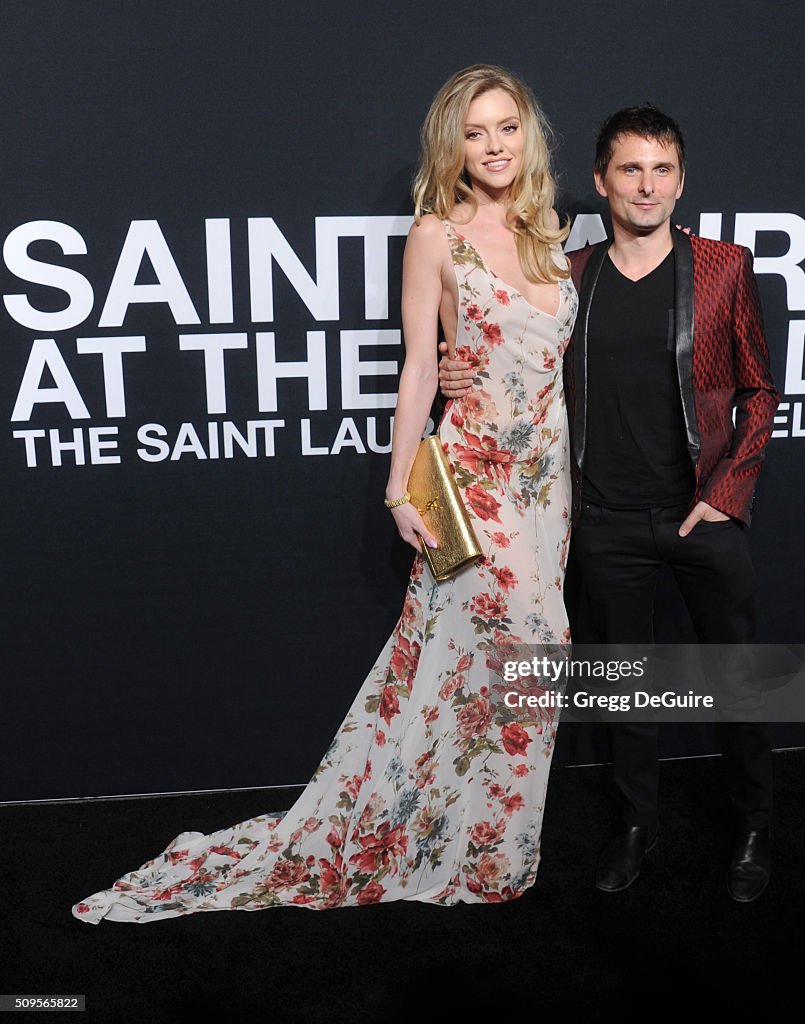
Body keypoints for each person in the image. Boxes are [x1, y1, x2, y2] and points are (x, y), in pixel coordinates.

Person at [72, 64, 577, 923]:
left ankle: (489, 845)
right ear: (450, 146)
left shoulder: (548, 233)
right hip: (474, 473)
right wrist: (398, 490)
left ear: (528, 136)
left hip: (547, 482)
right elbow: (420, 364)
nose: (493, 146)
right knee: (533, 644)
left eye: (507, 128)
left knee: (495, 671)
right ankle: (451, 841)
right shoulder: (434, 236)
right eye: (475, 132)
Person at [439, 105, 779, 902]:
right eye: (630, 169)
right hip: (605, 522)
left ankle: (755, 823)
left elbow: (760, 390)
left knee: (735, 680)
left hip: (703, 515)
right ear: (599, 183)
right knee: (627, 687)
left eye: (661, 170)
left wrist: (727, 497)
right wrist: (458, 374)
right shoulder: (569, 272)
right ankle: (636, 823)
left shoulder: (724, 267)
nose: (646, 185)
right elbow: (512, 361)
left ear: (681, 182)